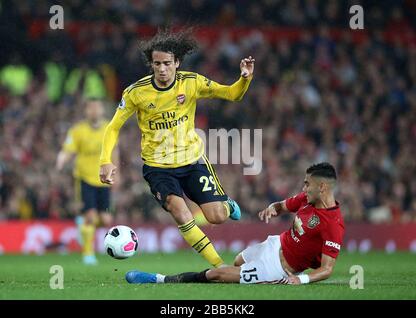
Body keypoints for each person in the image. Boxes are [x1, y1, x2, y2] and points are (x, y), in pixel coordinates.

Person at [99, 29, 255, 268]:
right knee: (181, 213)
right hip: (158, 167)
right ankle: (220, 266)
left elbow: (232, 94)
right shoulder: (135, 93)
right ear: (151, 64)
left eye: (167, 63)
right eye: (157, 64)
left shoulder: (191, 83)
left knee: (217, 216)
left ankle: (227, 204)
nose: (162, 69)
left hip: (192, 161)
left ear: (177, 63)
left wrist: (244, 78)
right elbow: (113, 127)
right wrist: (105, 161)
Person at [125, 162, 345, 285]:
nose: (304, 188)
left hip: (279, 268)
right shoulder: (306, 199)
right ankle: (242, 276)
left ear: (323, 187)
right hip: (274, 245)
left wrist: (301, 279)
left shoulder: (333, 224)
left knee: (217, 274)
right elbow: (282, 206)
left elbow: (327, 269)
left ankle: (159, 279)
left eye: (308, 184)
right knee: (237, 262)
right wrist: (273, 208)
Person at [56, 99, 117, 265]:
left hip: (103, 179)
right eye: (91, 108)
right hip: (84, 179)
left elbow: (114, 150)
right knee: (91, 216)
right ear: (86, 111)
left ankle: (83, 227)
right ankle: (88, 254)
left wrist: (116, 173)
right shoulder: (77, 130)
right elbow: (68, 150)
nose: (94, 111)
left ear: (102, 110)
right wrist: (61, 160)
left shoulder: (108, 127)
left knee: (105, 220)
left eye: (97, 107)